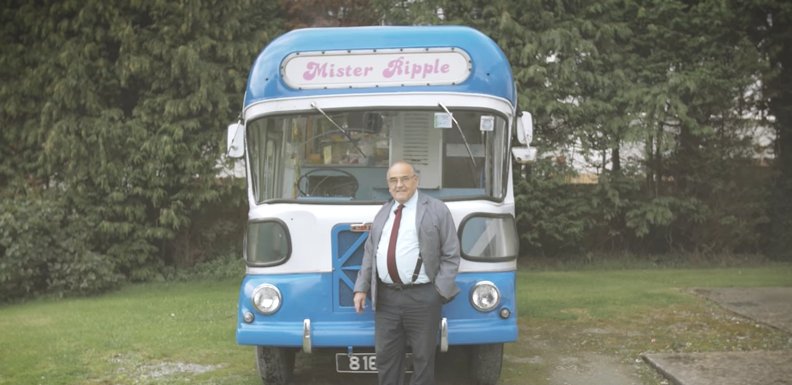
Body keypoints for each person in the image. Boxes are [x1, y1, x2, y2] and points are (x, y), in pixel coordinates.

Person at [353, 160, 461, 385]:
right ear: (388, 184)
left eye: (404, 179)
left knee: (423, 359)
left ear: (416, 180)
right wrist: (361, 288)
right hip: (386, 298)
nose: (399, 184)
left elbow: (451, 254)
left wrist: (438, 291)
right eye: (393, 180)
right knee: (386, 359)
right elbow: (370, 253)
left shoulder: (436, 209)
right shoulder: (384, 211)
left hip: (423, 298)